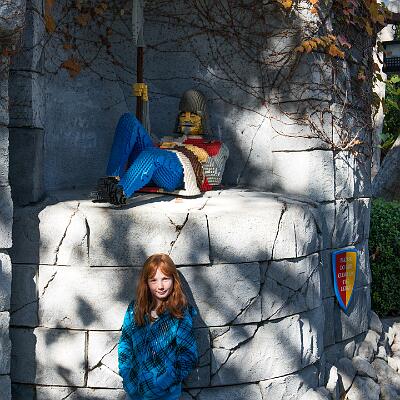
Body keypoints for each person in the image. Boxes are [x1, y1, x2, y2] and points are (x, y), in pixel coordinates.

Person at [93, 89, 229, 205]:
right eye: (183, 115)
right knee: (128, 120)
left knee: (151, 153)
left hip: (177, 173)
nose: (187, 119)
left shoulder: (214, 145)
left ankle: (119, 192)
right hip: (148, 167)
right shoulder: (170, 140)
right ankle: (111, 181)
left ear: (203, 119)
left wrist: (199, 153)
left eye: (193, 115)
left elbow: (215, 178)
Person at [118, 253, 198, 400]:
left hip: (166, 395)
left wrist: (163, 382)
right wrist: (127, 376)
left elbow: (188, 355)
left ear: (174, 279)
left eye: (165, 279)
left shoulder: (179, 314)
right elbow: (125, 344)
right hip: (134, 394)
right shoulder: (134, 310)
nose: (160, 286)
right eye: (153, 280)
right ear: (146, 283)